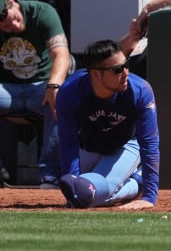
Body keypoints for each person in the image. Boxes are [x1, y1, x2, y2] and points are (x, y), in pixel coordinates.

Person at [56, 39, 159, 210]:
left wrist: (149, 196)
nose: (126, 72)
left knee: (94, 195)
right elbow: (68, 142)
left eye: (126, 65)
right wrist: (72, 188)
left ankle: (138, 182)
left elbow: (149, 143)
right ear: (96, 74)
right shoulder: (70, 92)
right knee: (81, 193)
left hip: (126, 145)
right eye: (118, 70)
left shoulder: (140, 90)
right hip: (89, 147)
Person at [0, 0, 72, 188]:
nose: (14, 26)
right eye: (5, 26)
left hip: (41, 86)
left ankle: (49, 176)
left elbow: (61, 55)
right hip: (7, 90)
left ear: (13, 3)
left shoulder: (41, 13)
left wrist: (54, 85)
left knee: (62, 99)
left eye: (14, 18)